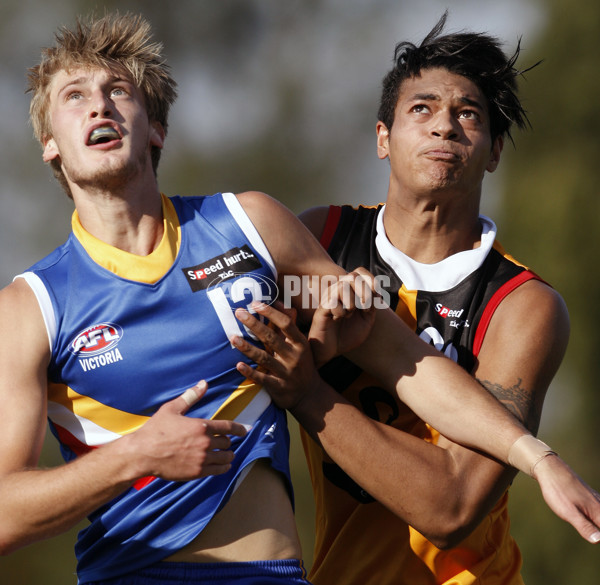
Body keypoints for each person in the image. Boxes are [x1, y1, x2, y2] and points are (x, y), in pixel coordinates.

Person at [0, 10, 597, 585]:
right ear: (50, 142)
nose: (99, 103)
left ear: (156, 127)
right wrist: (133, 458)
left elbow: (398, 356)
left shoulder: (250, 226)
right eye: (74, 95)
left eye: (119, 90)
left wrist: (537, 458)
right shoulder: (31, 306)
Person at [231, 12, 600, 585]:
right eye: (421, 109)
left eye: (468, 114)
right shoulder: (319, 240)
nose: (444, 127)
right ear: (383, 138)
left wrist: (309, 392)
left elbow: (450, 508)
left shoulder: (522, 307)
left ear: (495, 150)